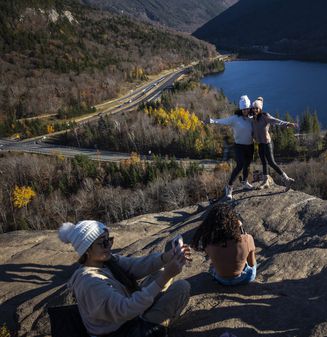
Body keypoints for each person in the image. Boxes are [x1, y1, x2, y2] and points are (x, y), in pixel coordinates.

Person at [58, 220, 192, 337]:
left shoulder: (107, 261)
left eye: (109, 240)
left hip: (129, 317)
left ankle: (150, 316)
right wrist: (166, 276)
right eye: (102, 243)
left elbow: (135, 266)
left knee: (160, 272)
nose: (108, 246)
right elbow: (125, 309)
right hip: (123, 331)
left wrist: (167, 257)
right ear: (86, 250)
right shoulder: (89, 282)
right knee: (182, 287)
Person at [192, 203, 257, 286]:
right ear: (234, 221)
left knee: (213, 266)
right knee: (250, 262)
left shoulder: (209, 243)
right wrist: (241, 229)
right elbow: (251, 263)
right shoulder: (247, 239)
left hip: (221, 280)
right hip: (243, 279)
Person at [208, 95, 254, 200]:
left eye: (247, 109)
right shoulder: (235, 119)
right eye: (244, 109)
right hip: (239, 146)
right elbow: (223, 121)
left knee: (247, 165)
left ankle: (245, 182)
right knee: (240, 165)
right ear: (241, 109)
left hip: (250, 146)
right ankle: (229, 187)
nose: (246, 111)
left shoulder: (251, 118)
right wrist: (212, 121)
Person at [251, 97, 297, 189]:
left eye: (257, 108)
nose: (255, 110)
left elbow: (276, 121)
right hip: (260, 144)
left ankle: (286, 179)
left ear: (260, 109)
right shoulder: (253, 118)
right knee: (264, 162)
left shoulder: (265, 116)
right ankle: (265, 181)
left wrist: (287, 123)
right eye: (254, 108)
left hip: (267, 143)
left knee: (271, 162)